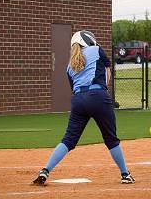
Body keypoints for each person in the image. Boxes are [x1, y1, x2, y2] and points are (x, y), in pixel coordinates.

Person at [33, 30, 135, 185]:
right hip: (98, 96)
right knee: (111, 139)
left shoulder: (69, 65)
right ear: (87, 40)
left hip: (78, 100)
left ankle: (45, 170)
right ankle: (125, 174)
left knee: (68, 139)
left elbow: (74, 88)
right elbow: (108, 73)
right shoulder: (96, 50)